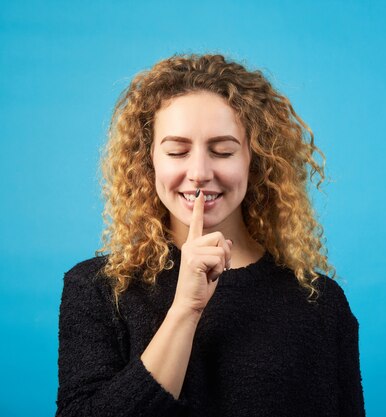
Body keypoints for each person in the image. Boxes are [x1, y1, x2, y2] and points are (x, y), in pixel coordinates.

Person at [55, 54, 366, 417]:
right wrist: (185, 310)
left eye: (223, 151)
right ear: (149, 159)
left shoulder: (321, 304)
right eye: (177, 151)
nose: (199, 172)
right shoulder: (98, 289)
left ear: (256, 160)